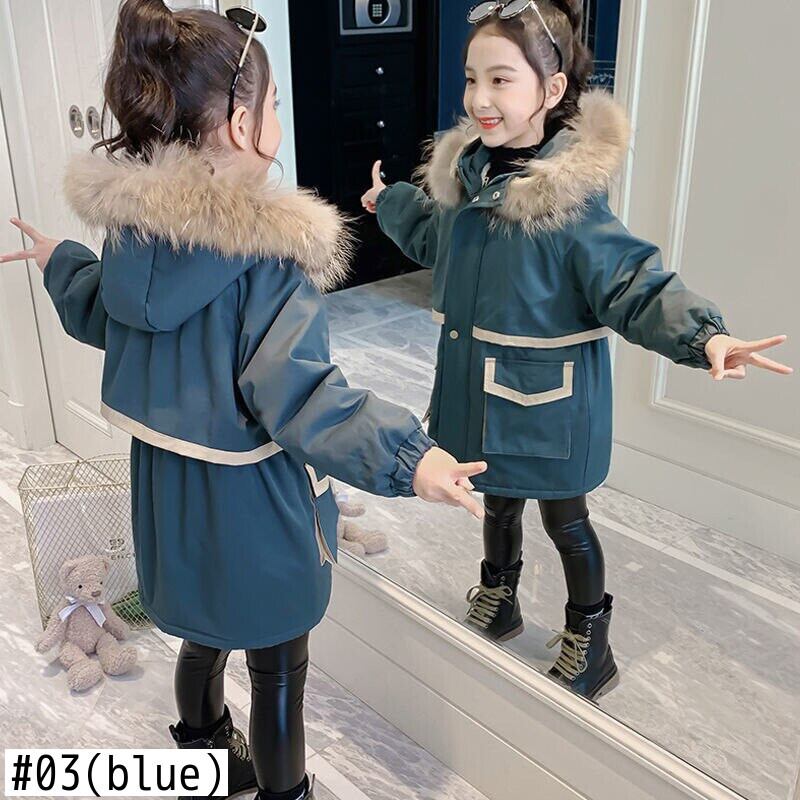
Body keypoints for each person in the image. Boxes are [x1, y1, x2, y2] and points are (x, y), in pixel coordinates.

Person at [1, 2, 487, 798]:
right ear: (238, 124)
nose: (278, 121)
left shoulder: (133, 239)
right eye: (274, 105)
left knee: (200, 636)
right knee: (278, 667)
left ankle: (203, 748)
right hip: (253, 510)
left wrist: (62, 260)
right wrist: (411, 457)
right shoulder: (266, 259)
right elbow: (304, 397)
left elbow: (106, 311)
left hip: (168, 500)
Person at [362, 0, 792, 701]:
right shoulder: (470, 179)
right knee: (496, 502)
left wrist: (705, 334)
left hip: (549, 405)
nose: (479, 99)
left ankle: (591, 638)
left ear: (552, 87)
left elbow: (633, 281)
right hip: (480, 389)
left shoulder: (569, 203)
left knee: (566, 521)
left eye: (501, 80)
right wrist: (391, 203)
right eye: (472, 79)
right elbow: (439, 238)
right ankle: (500, 596)